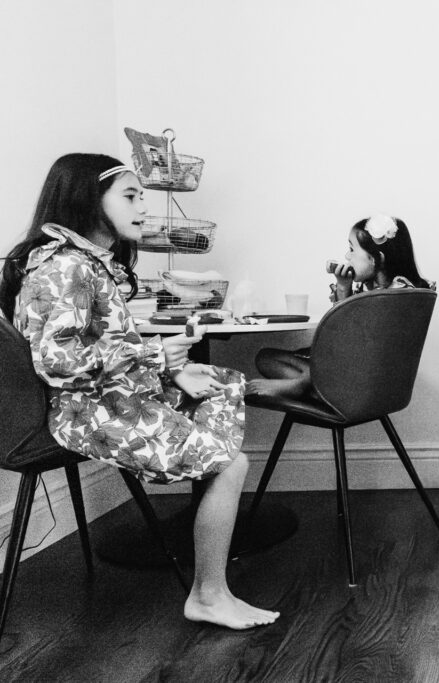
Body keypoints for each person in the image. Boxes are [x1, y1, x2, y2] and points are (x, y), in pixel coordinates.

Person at [0, 153, 279, 629]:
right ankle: (209, 596)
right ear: (89, 200)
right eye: (130, 196)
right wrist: (155, 358)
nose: (143, 208)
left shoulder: (82, 262)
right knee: (231, 463)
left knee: (218, 386)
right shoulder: (64, 268)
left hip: (107, 399)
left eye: (142, 197)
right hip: (83, 415)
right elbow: (58, 364)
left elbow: (101, 347)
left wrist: (172, 373)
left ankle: (211, 589)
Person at [247, 214, 433, 398]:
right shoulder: (370, 289)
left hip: (369, 378)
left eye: (352, 249)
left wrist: (343, 292)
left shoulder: (397, 292)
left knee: (318, 359)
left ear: (378, 258)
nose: (347, 256)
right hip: (351, 372)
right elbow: (343, 338)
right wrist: (344, 288)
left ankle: (303, 384)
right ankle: (314, 386)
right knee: (265, 358)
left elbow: (355, 344)